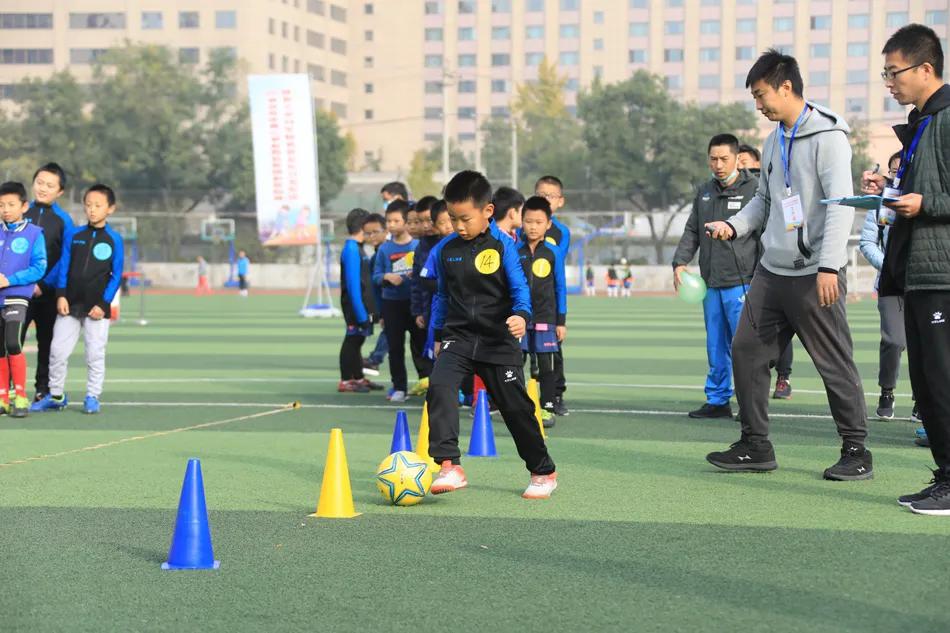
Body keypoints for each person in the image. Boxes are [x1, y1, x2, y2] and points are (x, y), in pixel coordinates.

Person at [704, 49, 871, 481]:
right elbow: (764, 202)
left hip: (816, 274)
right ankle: (755, 445)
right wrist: (734, 226)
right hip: (771, 272)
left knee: (834, 362)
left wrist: (830, 266)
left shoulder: (830, 136)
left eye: (761, 95)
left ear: (786, 87)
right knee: (746, 351)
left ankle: (856, 449)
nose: (758, 105)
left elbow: (840, 207)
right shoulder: (773, 139)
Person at [421, 170, 557, 499]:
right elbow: (440, 296)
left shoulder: (504, 247)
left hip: (498, 340)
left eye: (464, 218)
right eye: (452, 219)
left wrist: (521, 316)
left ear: (487, 211)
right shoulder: (445, 250)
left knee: (516, 409)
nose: (458, 226)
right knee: (439, 385)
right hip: (459, 337)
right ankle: (449, 465)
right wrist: (436, 336)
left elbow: (520, 290)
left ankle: (543, 471)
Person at [863, 24, 950, 514]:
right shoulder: (924, 122)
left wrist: (927, 202)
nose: (888, 82)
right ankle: (945, 476)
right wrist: (889, 186)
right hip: (914, 272)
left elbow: (936, 198)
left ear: (925, 69)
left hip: (941, 276)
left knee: (940, 379)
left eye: (893, 72)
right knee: (927, 382)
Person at [672, 133, 761, 420]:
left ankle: (750, 403)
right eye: (713, 159)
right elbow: (692, 231)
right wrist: (680, 262)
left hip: (743, 282)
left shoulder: (755, 190)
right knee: (715, 344)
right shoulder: (704, 192)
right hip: (710, 283)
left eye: (724, 159)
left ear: (737, 158)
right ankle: (718, 399)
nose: (718, 165)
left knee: (744, 346)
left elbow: (764, 235)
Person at [32, 185, 121, 414]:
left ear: (110, 209)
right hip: (69, 306)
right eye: (88, 204)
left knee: (94, 354)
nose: (92, 210)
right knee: (57, 352)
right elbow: (64, 267)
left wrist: (103, 304)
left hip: (96, 310)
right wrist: (61, 296)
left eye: (98, 205)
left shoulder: (114, 239)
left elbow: (116, 275)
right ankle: (56, 395)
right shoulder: (75, 235)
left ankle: (92, 396)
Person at [738, 145, 795, 399]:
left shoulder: (769, 187)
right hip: (752, 269)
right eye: (739, 163)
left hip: (778, 265)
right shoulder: (746, 194)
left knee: (787, 327)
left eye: (747, 163)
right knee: (750, 336)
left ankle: (783, 377)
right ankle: (750, 399)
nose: (743, 168)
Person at [859, 152, 907, 420]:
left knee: (928, 345)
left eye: (902, 169)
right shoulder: (880, 203)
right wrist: (888, 266)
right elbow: (867, 243)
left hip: (922, 282)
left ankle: (922, 400)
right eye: (893, 169)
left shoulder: (918, 200)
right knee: (894, 340)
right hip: (890, 282)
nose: (897, 173)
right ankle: (887, 390)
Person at [22, 162, 74, 403]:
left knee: (47, 343)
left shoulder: (64, 221)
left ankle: (42, 389)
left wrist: (43, 284)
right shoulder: (20, 213)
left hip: (47, 293)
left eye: (50, 185)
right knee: (10, 340)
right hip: (17, 291)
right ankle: (9, 388)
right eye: (40, 183)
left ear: (59, 192)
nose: (43, 188)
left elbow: (65, 259)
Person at [519, 195, 566, 427]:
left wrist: (561, 321)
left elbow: (560, 288)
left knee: (547, 365)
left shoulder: (554, 253)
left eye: (538, 222)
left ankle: (547, 407)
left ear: (548, 224)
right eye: (528, 221)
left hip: (546, 319)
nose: (533, 226)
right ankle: (517, 407)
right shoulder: (514, 251)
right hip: (519, 319)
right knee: (516, 363)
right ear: (521, 222)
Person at [0, 182, 47, 417]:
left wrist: (9, 280)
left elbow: (40, 267)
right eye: (1, 205)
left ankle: (20, 395)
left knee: (12, 343)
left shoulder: (34, 234)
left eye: (11, 204)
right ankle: (2, 397)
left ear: (24, 206)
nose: (6, 209)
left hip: (17, 297)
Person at [372, 199, 423, 402]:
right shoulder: (384, 249)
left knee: (419, 345)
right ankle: (399, 386)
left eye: (396, 221)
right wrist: (386, 277)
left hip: (414, 303)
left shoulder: (418, 245)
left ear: (407, 222)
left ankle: (425, 382)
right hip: (392, 304)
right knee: (395, 347)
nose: (391, 225)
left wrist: (416, 274)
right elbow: (375, 276)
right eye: (388, 221)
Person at [534, 176, 571, 416]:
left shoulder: (561, 232)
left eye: (551, 196)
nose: (546, 199)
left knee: (552, 351)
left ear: (560, 202)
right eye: (541, 194)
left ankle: (555, 394)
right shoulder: (524, 228)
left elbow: (556, 263)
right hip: (526, 301)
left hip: (549, 300)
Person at [337, 208, 375, 393]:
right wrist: (360, 313)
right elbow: (353, 285)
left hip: (361, 305)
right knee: (352, 340)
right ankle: (346, 380)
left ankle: (358, 377)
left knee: (358, 340)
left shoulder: (358, 248)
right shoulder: (352, 249)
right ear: (362, 226)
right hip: (354, 306)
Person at [408, 196, 439, 396]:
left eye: (429, 220)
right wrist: (418, 310)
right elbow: (418, 283)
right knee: (430, 349)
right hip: (429, 308)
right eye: (420, 221)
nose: (426, 226)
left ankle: (463, 391)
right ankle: (433, 386)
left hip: (447, 307)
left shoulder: (449, 242)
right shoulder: (421, 247)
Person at [361, 213, 388, 375]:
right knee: (389, 332)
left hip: (400, 303)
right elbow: (375, 288)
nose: (371, 237)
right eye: (368, 233)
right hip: (385, 304)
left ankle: (375, 359)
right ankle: (375, 359)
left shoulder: (387, 252)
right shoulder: (374, 257)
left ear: (385, 231)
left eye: (375, 232)